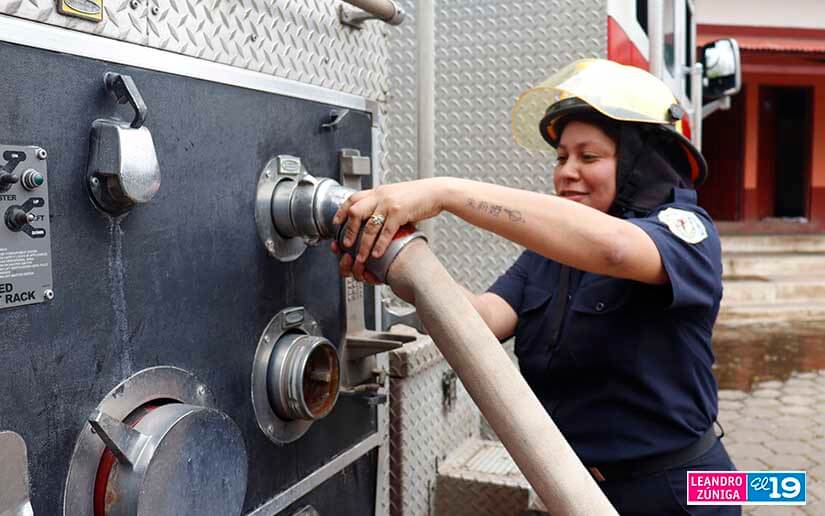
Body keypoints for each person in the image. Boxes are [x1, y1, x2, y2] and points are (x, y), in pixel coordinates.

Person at [332, 58, 738, 515]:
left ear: (643, 161)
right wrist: (403, 264)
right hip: (578, 489)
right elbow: (483, 320)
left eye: (589, 156)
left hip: (689, 488)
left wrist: (444, 192)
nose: (566, 171)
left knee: (774, 490)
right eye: (561, 157)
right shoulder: (549, 256)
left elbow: (617, 251)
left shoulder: (687, 233)